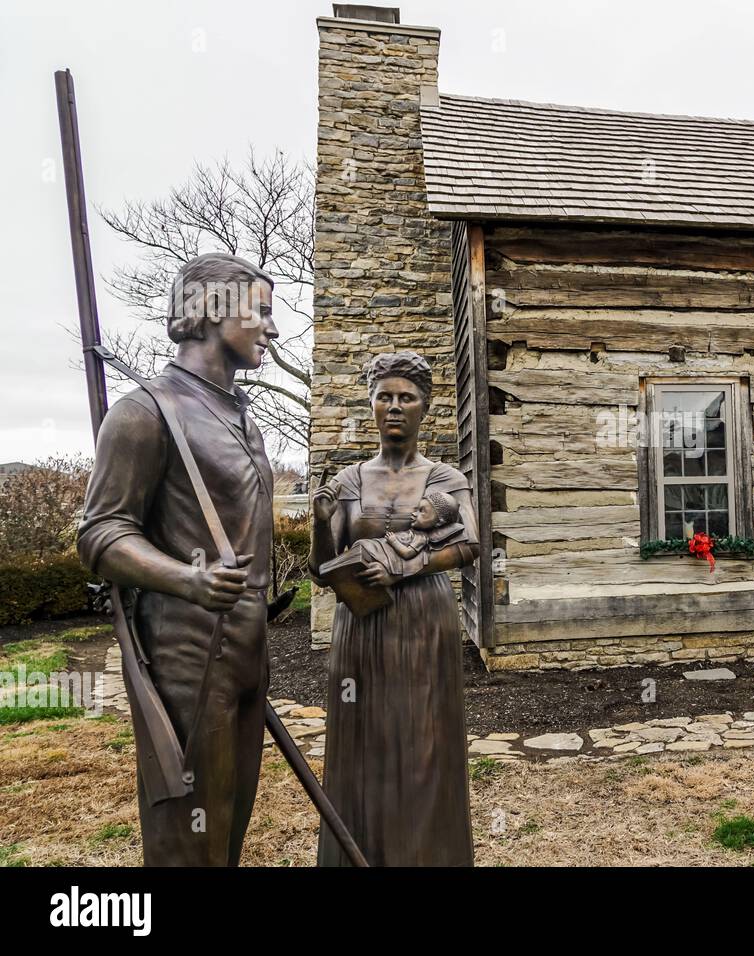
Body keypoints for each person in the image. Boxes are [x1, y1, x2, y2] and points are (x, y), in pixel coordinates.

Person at [77, 252, 279, 866]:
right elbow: (102, 534)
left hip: (247, 642)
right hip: (186, 649)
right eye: (261, 312)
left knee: (229, 818)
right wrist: (187, 579)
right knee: (186, 834)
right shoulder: (144, 412)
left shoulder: (241, 416)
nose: (272, 328)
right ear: (215, 311)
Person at [309, 351, 479, 866]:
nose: (395, 406)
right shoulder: (349, 481)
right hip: (361, 624)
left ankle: (424, 854)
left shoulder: (445, 477)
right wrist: (320, 522)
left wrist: (405, 569)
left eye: (407, 397)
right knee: (364, 744)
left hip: (424, 621)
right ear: (371, 405)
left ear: (425, 406)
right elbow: (321, 568)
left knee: (423, 739)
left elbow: (470, 543)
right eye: (385, 396)